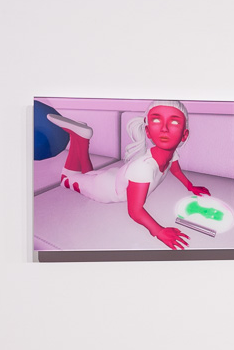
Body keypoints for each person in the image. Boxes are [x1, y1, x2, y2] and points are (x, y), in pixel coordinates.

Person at [45, 100, 212, 250]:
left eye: (174, 122)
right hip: (104, 189)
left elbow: (175, 169)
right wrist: (159, 231)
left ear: (184, 135)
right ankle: (80, 138)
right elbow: (135, 211)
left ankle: (81, 138)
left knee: (86, 174)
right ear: (147, 131)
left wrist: (190, 186)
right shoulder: (144, 168)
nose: (164, 128)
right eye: (156, 120)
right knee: (66, 179)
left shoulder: (171, 153)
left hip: (117, 177)